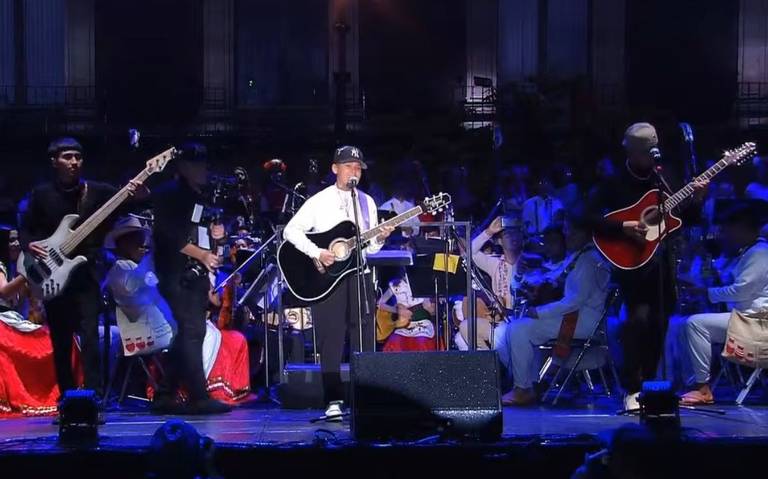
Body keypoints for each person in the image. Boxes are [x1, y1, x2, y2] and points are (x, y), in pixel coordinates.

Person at [587, 123, 708, 410]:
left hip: (662, 262)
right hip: (632, 263)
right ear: (629, 151)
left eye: (650, 153)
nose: (647, 159)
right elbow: (584, 216)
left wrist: (698, 201)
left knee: (660, 323)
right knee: (637, 323)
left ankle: (650, 387)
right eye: (641, 153)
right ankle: (631, 387)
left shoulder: (664, 178)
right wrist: (623, 226)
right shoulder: (614, 183)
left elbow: (684, 219)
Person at [18, 137, 143, 401]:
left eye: (78, 157)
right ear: (54, 162)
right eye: (67, 157)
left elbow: (130, 204)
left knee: (90, 339)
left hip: (86, 273)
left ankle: (94, 399)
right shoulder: (41, 195)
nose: (74, 162)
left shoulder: (97, 191)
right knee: (61, 342)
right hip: (51, 274)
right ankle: (67, 400)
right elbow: (26, 227)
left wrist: (138, 193)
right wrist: (31, 246)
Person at [283, 145, 393, 420]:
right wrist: (317, 252)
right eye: (348, 166)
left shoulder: (367, 202)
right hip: (327, 278)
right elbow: (290, 231)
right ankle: (333, 399)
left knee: (365, 333)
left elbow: (371, 251)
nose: (354, 171)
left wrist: (380, 237)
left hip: (359, 275)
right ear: (335, 169)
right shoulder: (319, 201)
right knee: (331, 338)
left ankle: (365, 395)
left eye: (358, 168)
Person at [150, 142, 231, 415]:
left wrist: (216, 235)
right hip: (176, 272)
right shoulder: (169, 194)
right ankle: (198, 396)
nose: (204, 169)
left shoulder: (201, 196)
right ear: (183, 167)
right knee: (192, 330)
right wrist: (202, 255)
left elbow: (199, 229)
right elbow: (168, 234)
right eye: (197, 164)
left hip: (194, 271)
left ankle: (164, 394)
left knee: (191, 330)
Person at [499, 214, 610, 406]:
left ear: (584, 233)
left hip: (583, 321)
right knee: (520, 326)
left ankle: (523, 389)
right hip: (575, 316)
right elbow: (554, 276)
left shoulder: (590, 260)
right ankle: (531, 385)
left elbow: (573, 302)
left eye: (570, 231)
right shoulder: (580, 256)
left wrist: (539, 312)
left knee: (519, 329)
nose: (566, 236)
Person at [679, 205, 768, 405]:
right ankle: (692, 383)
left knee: (695, 324)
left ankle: (702, 388)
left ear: (743, 229)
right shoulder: (747, 252)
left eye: (728, 230)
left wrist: (707, 293)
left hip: (757, 322)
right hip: (746, 318)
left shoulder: (760, 254)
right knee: (684, 325)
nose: (725, 235)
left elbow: (742, 290)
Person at [460, 216, 523, 350]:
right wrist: (488, 232)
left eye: (515, 233)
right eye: (507, 234)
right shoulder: (494, 265)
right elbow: (468, 254)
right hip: (500, 323)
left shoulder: (529, 263)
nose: (512, 237)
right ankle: (490, 366)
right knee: (466, 327)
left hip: (522, 322)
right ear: (499, 241)